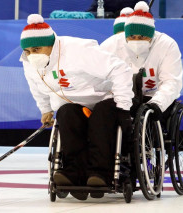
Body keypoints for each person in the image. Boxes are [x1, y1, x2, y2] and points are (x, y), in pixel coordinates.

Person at [20, 14, 134, 200]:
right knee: (65, 114)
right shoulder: (29, 61)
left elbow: (120, 69)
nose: (32, 55)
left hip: (103, 97)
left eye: (36, 49)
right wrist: (46, 109)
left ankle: (99, 173)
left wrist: (123, 107)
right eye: (28, 51)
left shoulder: (77, 50)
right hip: (73, 103)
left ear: (51, 45)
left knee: (101, 116)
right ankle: (73, 173)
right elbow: (37, 87)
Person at [100, 1, 183, 122]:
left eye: (142, 37)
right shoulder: (111, 45)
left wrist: (157, 103)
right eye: (132, 37)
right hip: (123, 98)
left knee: (148, 114)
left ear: (151, 35)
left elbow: (171, 82)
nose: (137, 41)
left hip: (154, 97)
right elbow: (98, 77)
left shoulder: (167, 45)